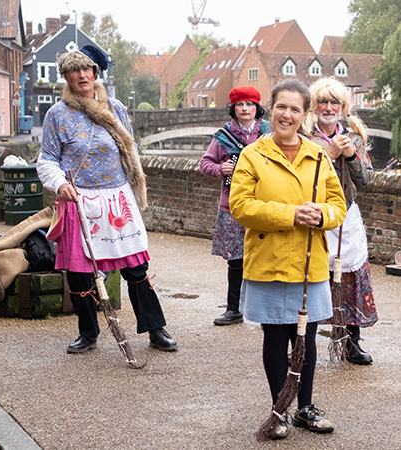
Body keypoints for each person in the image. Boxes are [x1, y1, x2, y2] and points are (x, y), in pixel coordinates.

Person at [36, 45, 177, 354]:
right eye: (74, 71)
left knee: (136, 269)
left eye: (87, 69)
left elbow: (130, 151)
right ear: (67, 77)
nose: (82, 75)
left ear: (95, 73)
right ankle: (88, 332)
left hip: (117, 199)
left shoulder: (116, 109)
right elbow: (46, 159)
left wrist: (135, 185)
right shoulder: (57, 114)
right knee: (79, 272)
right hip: (80, 200)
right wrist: (60, 183)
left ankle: (156, 329)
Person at [229, 79, 346, 437]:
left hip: (309, 263)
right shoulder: (253, 155)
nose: (287, 114)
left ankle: (305, 408)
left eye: (295, 109)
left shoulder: (318, 157)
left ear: (304, 114)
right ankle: (279, 409)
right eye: (282, 107)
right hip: (269, 259)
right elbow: (241, 206)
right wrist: (290, 215)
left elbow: (338, 205)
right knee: (276, 337)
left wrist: (322, 216)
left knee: (307, 338)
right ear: (271, 109)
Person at [305, 77, 377, 365]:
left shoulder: (354, 136)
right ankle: (302, 342)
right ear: (314, 105)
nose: (328, 107)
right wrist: (331, 156)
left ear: (343, 106)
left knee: (350, 279)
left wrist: (351, 156)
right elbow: (305, 179)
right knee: (312, 278)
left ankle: (351, 342)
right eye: (323, 101)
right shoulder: (305, 138)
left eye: (335, 102)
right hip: (316, 216)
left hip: (347, 216)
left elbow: (366, 180)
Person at [199, 86, 270, 326]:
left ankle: (265, 312)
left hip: (265, 202)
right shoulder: (223, 136)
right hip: (232, 205)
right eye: (240, 105)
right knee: (236, 260)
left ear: (256, 108)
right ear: (234, 109)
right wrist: (221, 169)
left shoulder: (269, 133)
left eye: (249, 104)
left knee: (265, 257)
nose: (245, 109)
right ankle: (233, 309)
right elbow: (204, 163)